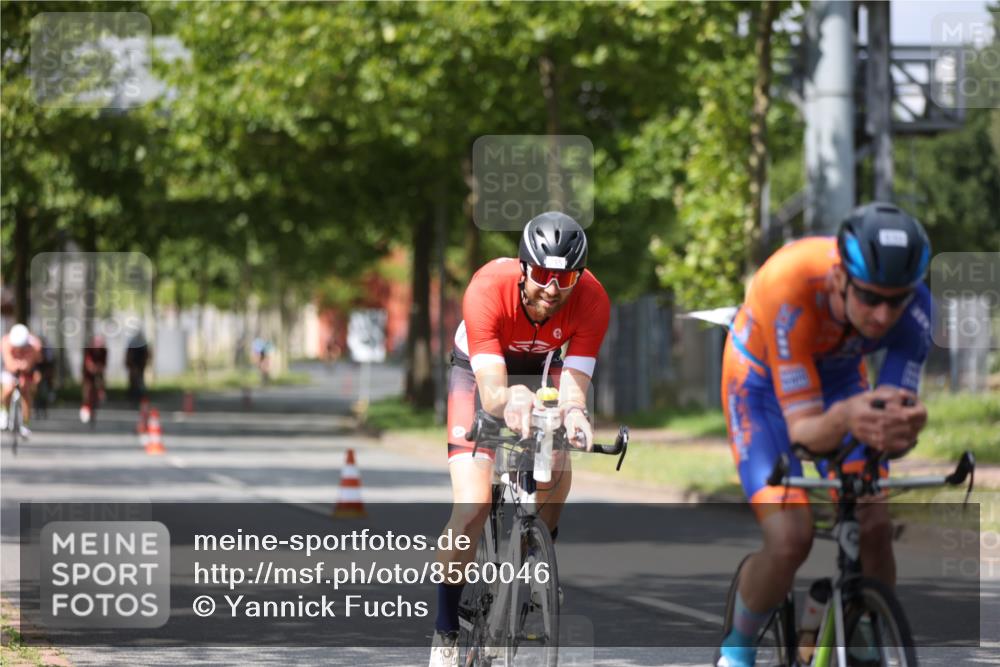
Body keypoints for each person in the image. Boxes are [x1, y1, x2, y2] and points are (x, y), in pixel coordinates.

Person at [715, 202, 933, 667]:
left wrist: (903, 426)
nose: (882, 314)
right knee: (792, 537)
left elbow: (893, 410)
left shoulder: (916, 308)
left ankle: (866, 634)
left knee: (873, 523)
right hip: (759, 387)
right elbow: (807, 435)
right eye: (871, 297)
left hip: (838, 379)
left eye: (897, 300)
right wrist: (849, 419)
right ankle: (737, 647)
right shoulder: (789, 283)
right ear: (840, 279)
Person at [428, 212, 611, 667]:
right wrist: (510, 399)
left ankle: (535, 556)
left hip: (540, 371)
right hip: (480, 372)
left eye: (565, 277)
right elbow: (492, 392)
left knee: (559, 468)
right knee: (471, 509)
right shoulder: (487, 288)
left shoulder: (591, 299)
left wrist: (574, 415)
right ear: (525, 266)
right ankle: (446, 629)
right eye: (545, 274)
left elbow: (574, 385)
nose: (553, 288)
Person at [1, 323, 43, 437]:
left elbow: (31, 364)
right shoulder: (5, 342)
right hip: (9, 370)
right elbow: (9, 363)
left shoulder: (34, 345)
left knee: (26, 392)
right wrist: (18, 366)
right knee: (8, 389)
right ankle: (4, 412)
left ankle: (25, 423)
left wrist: (27, 369)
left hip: (27, 371)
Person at [80, 334, 108, 424]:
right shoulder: (88, 350)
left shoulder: (104, 351)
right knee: (87, 391)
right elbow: (88, 364)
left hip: (98, 372)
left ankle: (101, 393)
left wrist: (98, 369)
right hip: (88, 374)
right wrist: (93, 368)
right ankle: (86, 406)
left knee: (100, 382)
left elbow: (104, 364)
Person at [125, 330, 151, 405]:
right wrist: (130, 364)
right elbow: (129, 354)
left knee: (139, 380)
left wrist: (144, 363)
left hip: (139, 364)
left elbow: (146, 354)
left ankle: (139, 396)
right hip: (134, 364)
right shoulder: (133, 343)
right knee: (133, 380)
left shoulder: (142, 344)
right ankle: (133, 396)